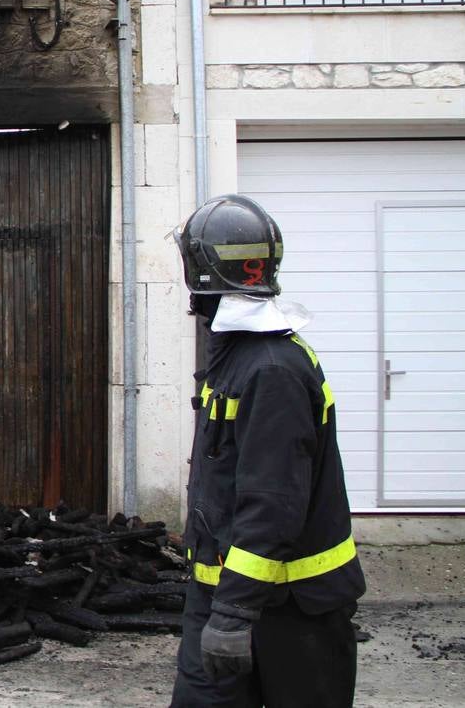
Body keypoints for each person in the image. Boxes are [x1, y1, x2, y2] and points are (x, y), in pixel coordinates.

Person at [170, 194, 366, 707]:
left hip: (287, 612)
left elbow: (271, 503)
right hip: (227, 596)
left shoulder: (270, 369)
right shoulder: (238, 356)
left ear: (200, 270)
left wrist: (235, 614)